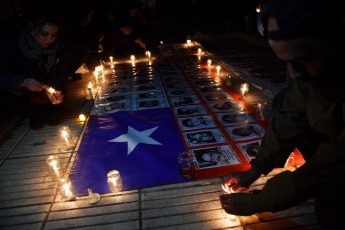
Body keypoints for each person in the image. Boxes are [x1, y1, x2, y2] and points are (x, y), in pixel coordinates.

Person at [219, 0, 345, 229]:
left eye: (304, 59)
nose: (295, 74)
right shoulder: (315, 71)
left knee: (331, 204)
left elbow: (329, 166)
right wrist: (256, 169)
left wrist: (259, 201)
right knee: (283, 99)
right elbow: (289, 115)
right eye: (286, 62)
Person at [0, 4, 69, 130]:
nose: (49, 40)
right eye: (44, 34)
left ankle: (40, 110)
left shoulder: (59, 47)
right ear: (33, 29)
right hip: (19, 96)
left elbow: (63, 73)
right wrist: (22, 81)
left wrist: (58, 89)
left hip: (45, 95)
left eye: (54, 35)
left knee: (55, 118)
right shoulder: (14, 44)